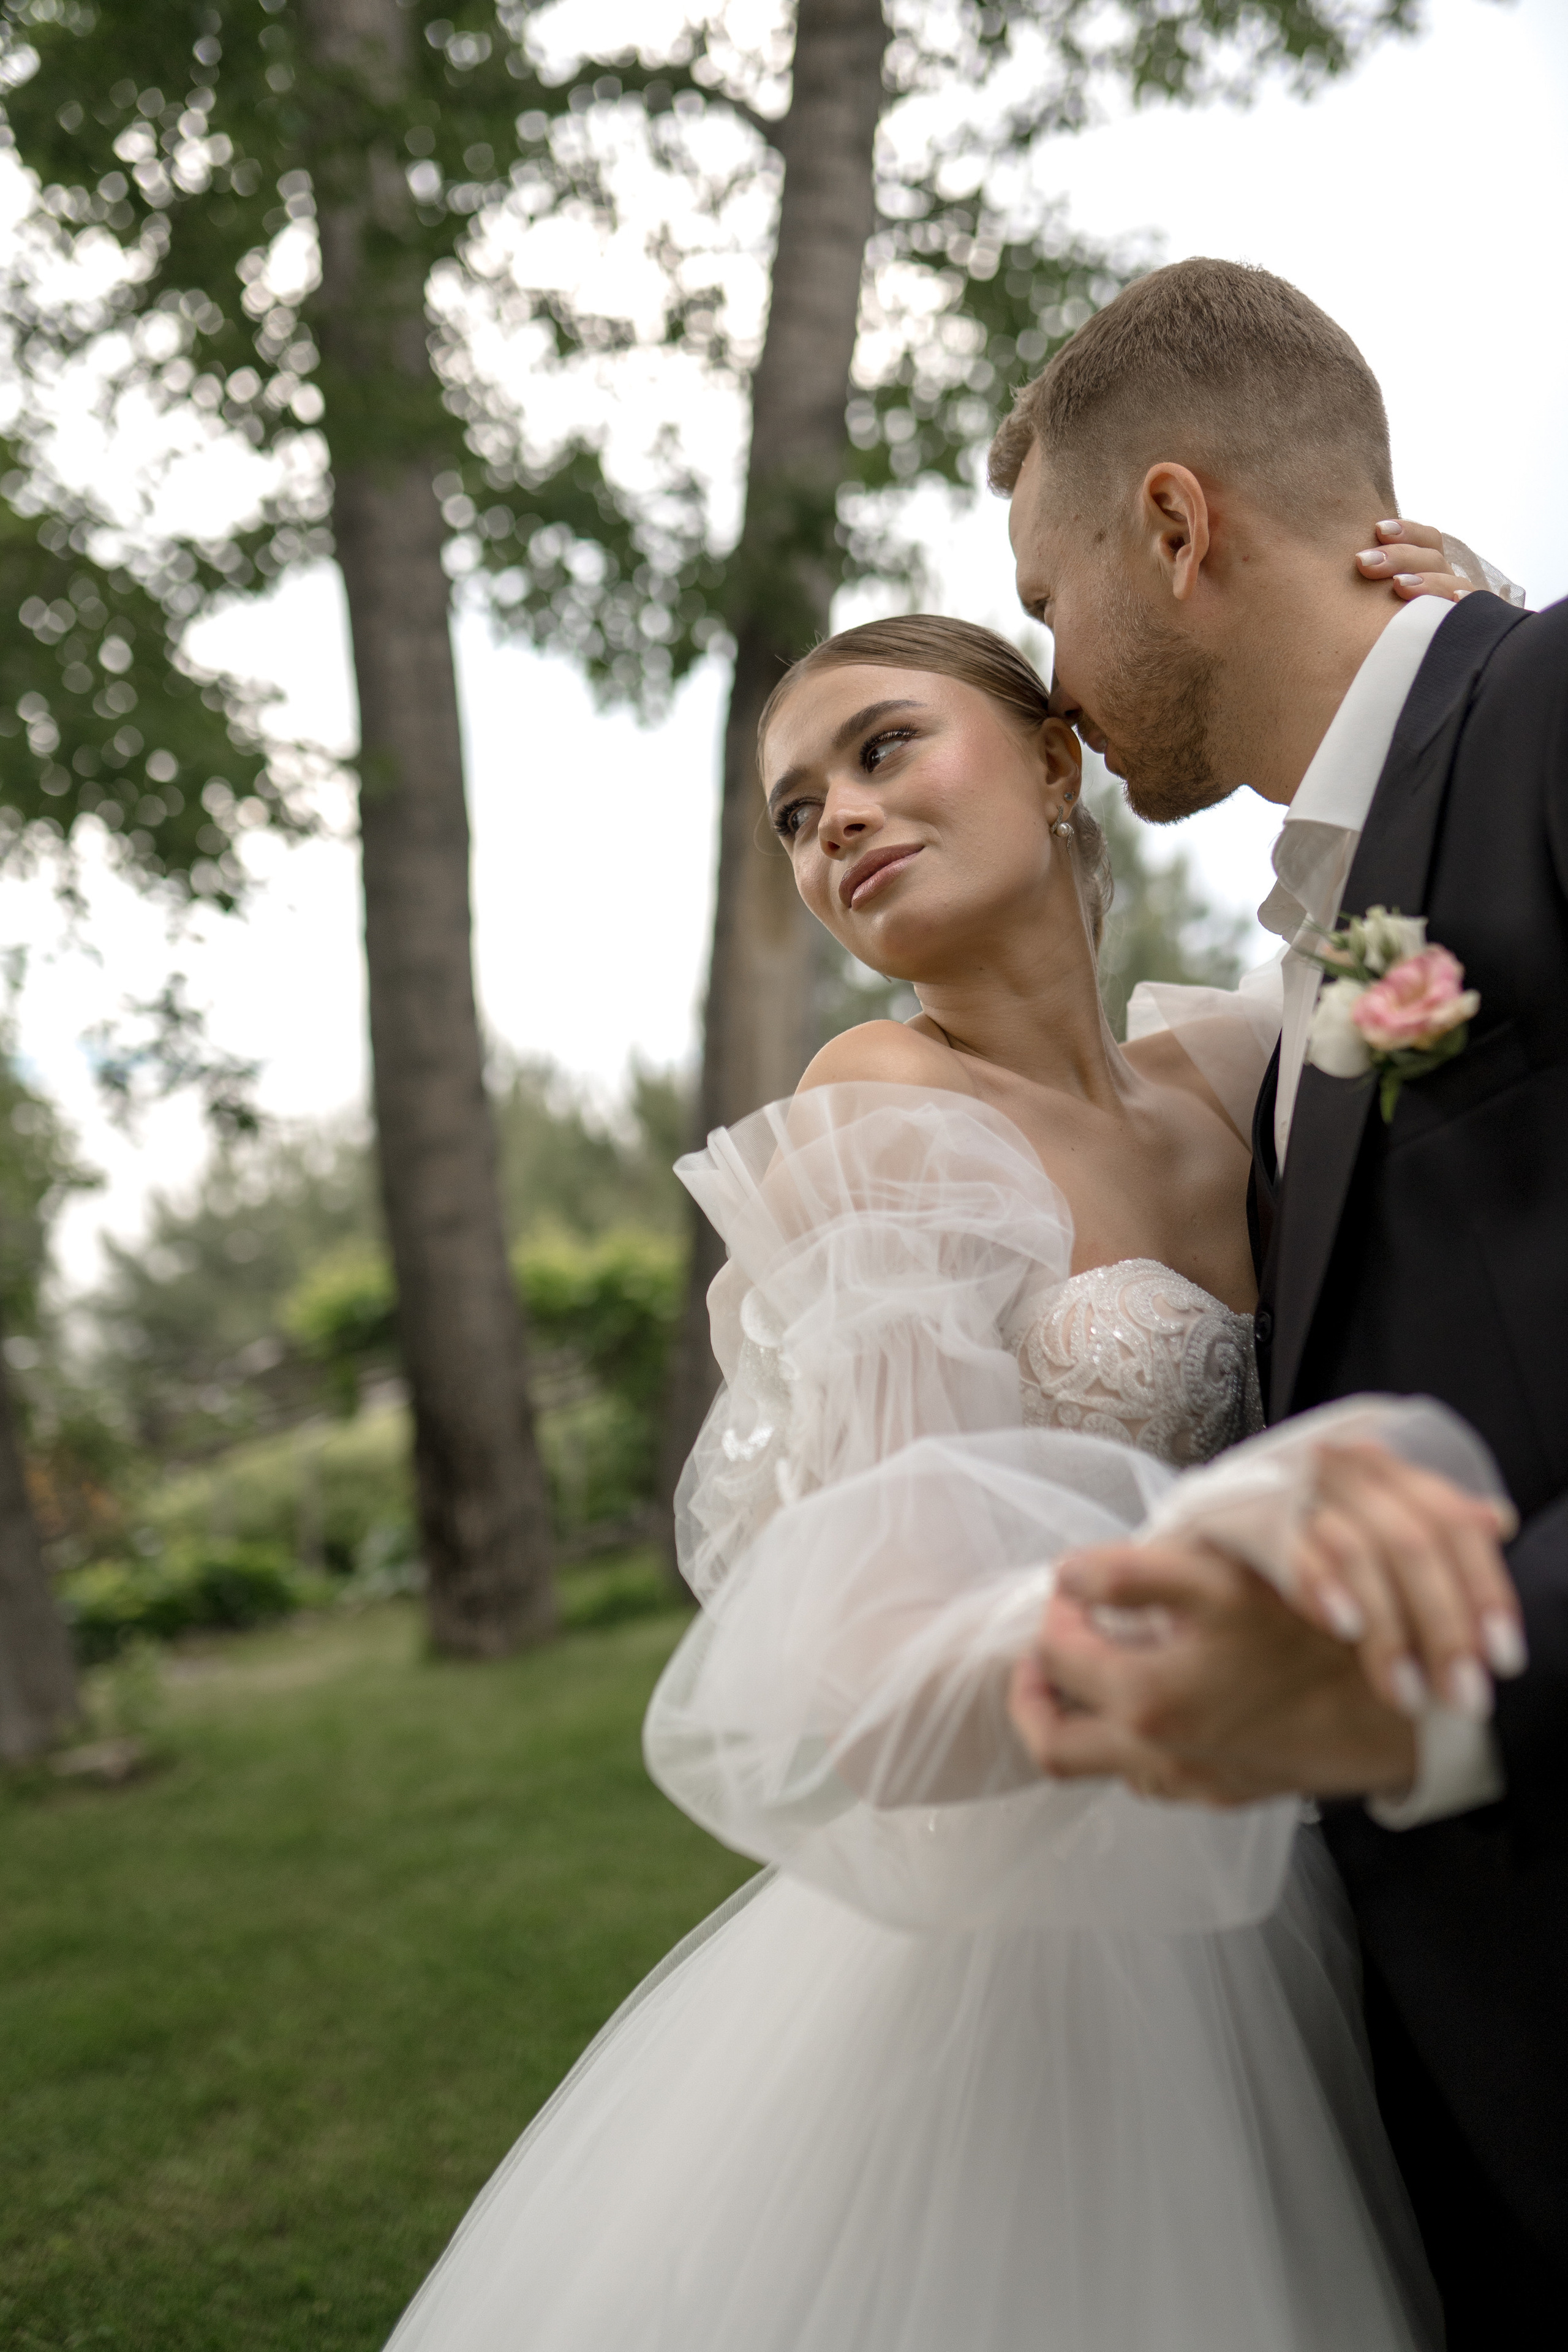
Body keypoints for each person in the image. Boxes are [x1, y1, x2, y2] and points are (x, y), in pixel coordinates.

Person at [385, 551, 1515, 2347]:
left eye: (886, 747)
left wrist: (1464, 630)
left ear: (1058, 760)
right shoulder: (883, 1110)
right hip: (1062, 1944)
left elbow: (1439, 923)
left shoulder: (1235, 1069)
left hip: (1328, 1860)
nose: (837, 818)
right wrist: (1191, 1606)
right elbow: (877, 1663)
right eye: (796, 814)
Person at [994, 257, 1565, 2345]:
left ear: (1173, 525)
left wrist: (1443, 1676)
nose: (1053, 687)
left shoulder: (1549, 714)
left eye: (1046, 600)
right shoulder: (1301, 961)